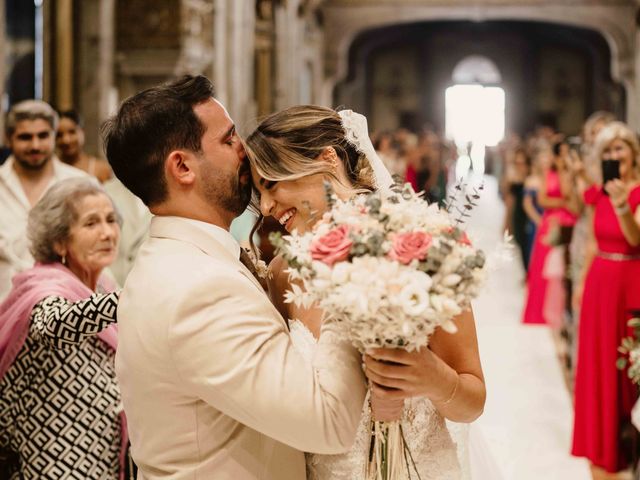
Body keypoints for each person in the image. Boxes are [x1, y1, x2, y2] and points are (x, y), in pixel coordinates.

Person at [101, 75, 366, 480]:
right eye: (228, 140)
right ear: (183, 166)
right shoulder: (198, 289)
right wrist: (354, 283)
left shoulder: (185, 261)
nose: (244, 150)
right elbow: (329, 422)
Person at [245, 105, 488, 479]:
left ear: (327, 159)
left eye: (272, 184)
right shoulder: (282, 274)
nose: (266, 208)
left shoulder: (420, 245)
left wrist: (431, 377)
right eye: (258, 193)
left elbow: (473, 401)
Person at [0, 177, 127, 479]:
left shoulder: (104, 286)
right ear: (59, 240)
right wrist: (133, 299)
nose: (107, 233)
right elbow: (55, 324)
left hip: (103, 454)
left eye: (111, 220)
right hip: (53, 460)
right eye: (91, 224)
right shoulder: (44, 289)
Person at [571, 122, 640, 476]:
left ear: (633, 153)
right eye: (609, 151)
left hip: (630, 282)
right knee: (597, 366)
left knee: (626, 370)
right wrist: (581, 283)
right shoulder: (599, 193)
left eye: (620, 149)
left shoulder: (638, 192)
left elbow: (635, 238)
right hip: (599, 282)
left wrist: (623, 205)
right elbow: (594, 240)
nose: (615, 156)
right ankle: (600, 444)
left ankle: (626, 443)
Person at [0, 100, 86, 300]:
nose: (35, 145)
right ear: (9, 139)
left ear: (54, 136)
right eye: (25, 137)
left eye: (43, 136)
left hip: (64, 312)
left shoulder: (80, 185)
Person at [522, 142, 578, 324]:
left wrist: (565, 173)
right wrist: (563, 203)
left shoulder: (571, 175)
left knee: (563, 268)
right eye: (560, 154)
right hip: (551, 222)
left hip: (568, 222)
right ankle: (541, 311)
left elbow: (573, 199)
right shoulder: (548, 174)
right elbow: (543, 200)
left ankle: (561, 310)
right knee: (543, 266)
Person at [57, 109, 113, 183]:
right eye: (59, 135)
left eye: (72, 132)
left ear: (82, 132)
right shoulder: (50, 169)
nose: (66, 140)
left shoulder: (100, 169)